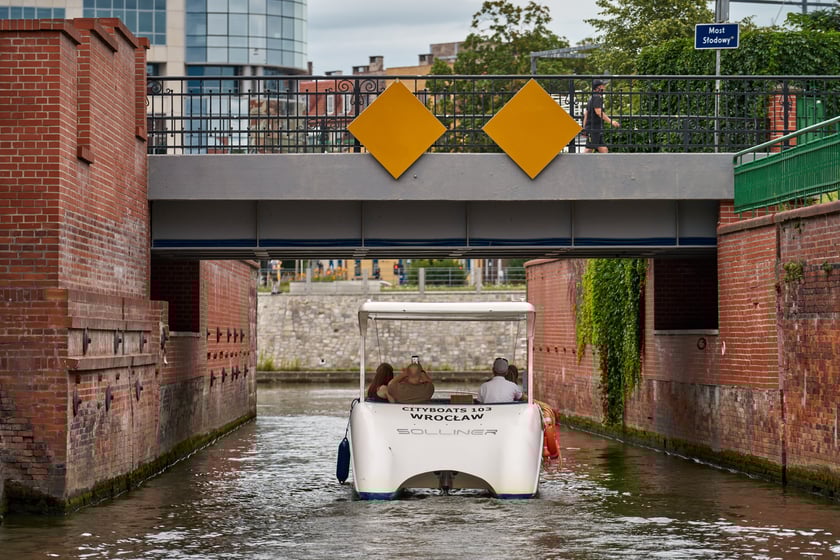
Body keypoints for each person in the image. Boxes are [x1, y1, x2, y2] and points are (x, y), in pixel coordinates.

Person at [583, 79, 620, 153]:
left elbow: (586, 114)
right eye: (602, 86)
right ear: (597, 88)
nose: (604, 88)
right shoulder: (596, 97)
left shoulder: (592, 97)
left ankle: (606, 164)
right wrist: (611, 121)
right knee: (589, 149)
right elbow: (599, 112)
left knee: (603, 149)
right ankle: (578, 163)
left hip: (594, 128)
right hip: (594, 128)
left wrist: (584, 128)